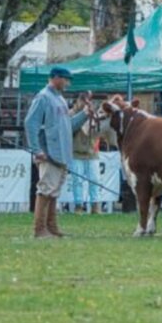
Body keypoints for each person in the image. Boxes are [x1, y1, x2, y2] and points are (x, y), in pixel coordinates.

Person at [24, 67, 88, 238]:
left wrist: (85, 114)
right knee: (45, 189)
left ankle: (52, 227)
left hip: (60, 153)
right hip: (49, 153)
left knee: (53, 191)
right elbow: (31, 123)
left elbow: (68, 126)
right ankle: (39, 229)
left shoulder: (59, 98)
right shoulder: (43, 97)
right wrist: (36, 149)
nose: (68, 83)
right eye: (66, 80)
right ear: (56, 78)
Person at [70, 93, 101, 214]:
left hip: (92, 152)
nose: (85, 102)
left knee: (95, 179)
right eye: (82, 99)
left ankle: (95, 206)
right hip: (76, 152)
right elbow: (70, 129)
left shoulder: (94, 114)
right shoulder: (71, 114)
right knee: (77, 180)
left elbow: (99, 130)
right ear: (77, 100)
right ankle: (78, 205)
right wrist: (82, 115)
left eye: (87, 100)